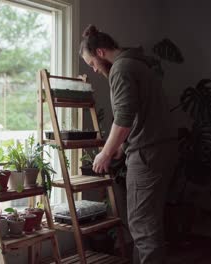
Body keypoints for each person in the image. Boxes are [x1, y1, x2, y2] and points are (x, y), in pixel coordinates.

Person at [79, 24, 177, 264]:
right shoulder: (137, 63)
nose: (93, 70)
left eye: (91, 64)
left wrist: (105, 152)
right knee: (150, 221)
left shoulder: (121, 69)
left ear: (101, 52)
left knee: (142, 223)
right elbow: (137, 114)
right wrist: (121, 147)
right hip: (161, 148)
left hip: (148, 154)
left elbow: (123, 118)